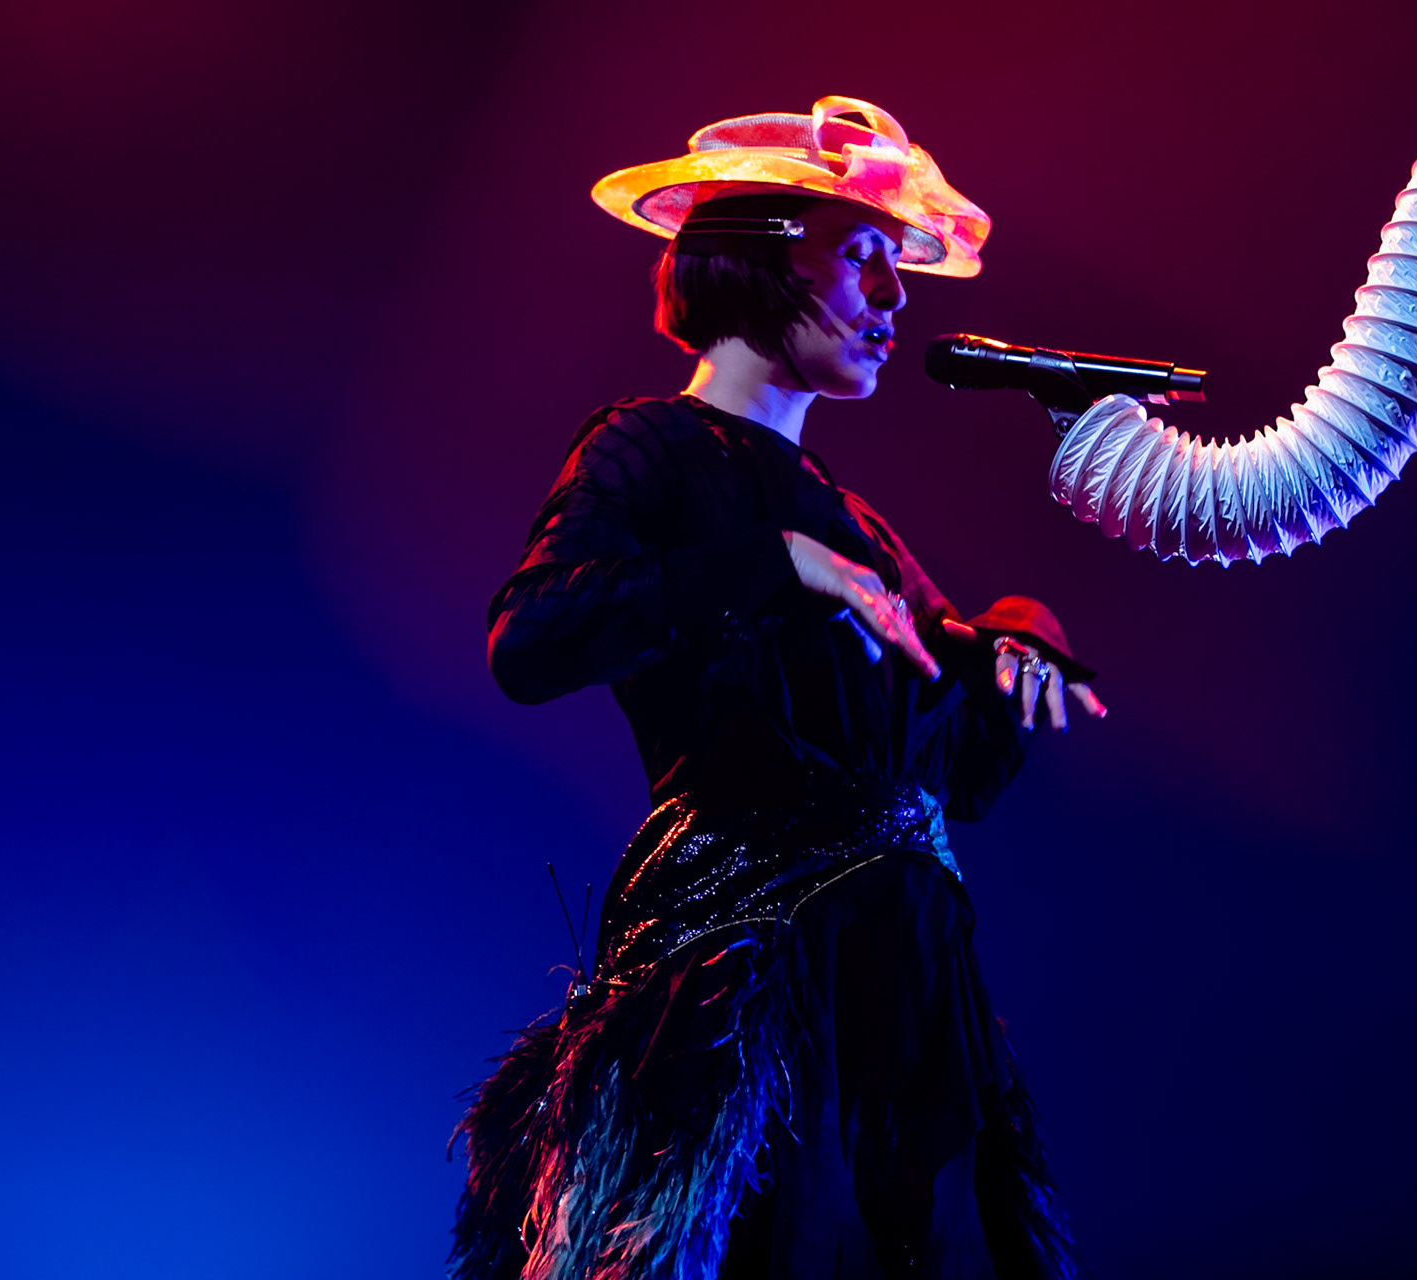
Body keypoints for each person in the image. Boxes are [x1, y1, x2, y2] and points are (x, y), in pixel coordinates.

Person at [453, 96, 1105, 1280]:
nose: (895, 298)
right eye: (863, 256)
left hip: (902, 990)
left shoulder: (861, 526)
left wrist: (1019, 639)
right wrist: (773, 564)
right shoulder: (650, 449)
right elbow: (529, 639)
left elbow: (949, 775)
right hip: (749, 970)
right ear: (757, 255)